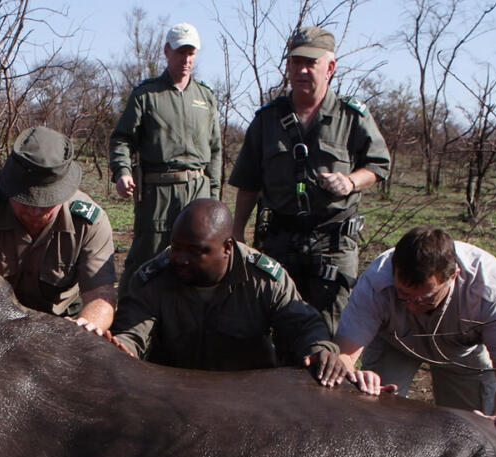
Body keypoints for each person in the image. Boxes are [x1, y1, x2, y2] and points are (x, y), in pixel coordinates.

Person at [229, 25, 390, 334]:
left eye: (310, 63)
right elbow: (248, 183)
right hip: (279, 239)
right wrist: (237, 234)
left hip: (332, 242)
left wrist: (352, 181)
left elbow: (379, 165)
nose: (302, 70)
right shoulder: (267, 119)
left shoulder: (351, 116)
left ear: (329, 68)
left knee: (331, 330)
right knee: (271, 325)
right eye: (295, 62)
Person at [315, 226, 496, 442]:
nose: (412, 306)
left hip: (461, 353)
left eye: (425, 298)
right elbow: (344, 354)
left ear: (453, 276)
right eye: (403, 294)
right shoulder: (376, 280)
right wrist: (353, 375)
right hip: (395, 343)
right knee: (377, 420)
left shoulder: (489, 288)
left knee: (474, 434)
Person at [111, 199, 336, 371]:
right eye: (176, 247)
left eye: (194, 251)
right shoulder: (153, 279)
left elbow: (303, 324)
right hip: (174, 389)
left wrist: (319, 350)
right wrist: (122, 349)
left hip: (246, 392)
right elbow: (130, 333)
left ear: (227, 247)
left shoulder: (263, 279)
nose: (180, 258)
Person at [0, 125, 117, 332]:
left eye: (46, 204)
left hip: (63, 325)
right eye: (25, 202)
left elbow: (101, 295)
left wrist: (86, 326)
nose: (34, 212)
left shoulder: (89, 221)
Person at [109, 22, 221, 287]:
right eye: (181, 52)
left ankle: (195, 322)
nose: (186, 59)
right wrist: (122, 172)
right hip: (158, 192)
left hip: (198, 189)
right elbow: (121, 138)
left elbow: (215, 150)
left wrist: (214, 196)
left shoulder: (205, 97)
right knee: (148, 258)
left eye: (191, 53)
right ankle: (129, 318)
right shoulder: (146, 95)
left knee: (199, 258)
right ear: (167, 51)